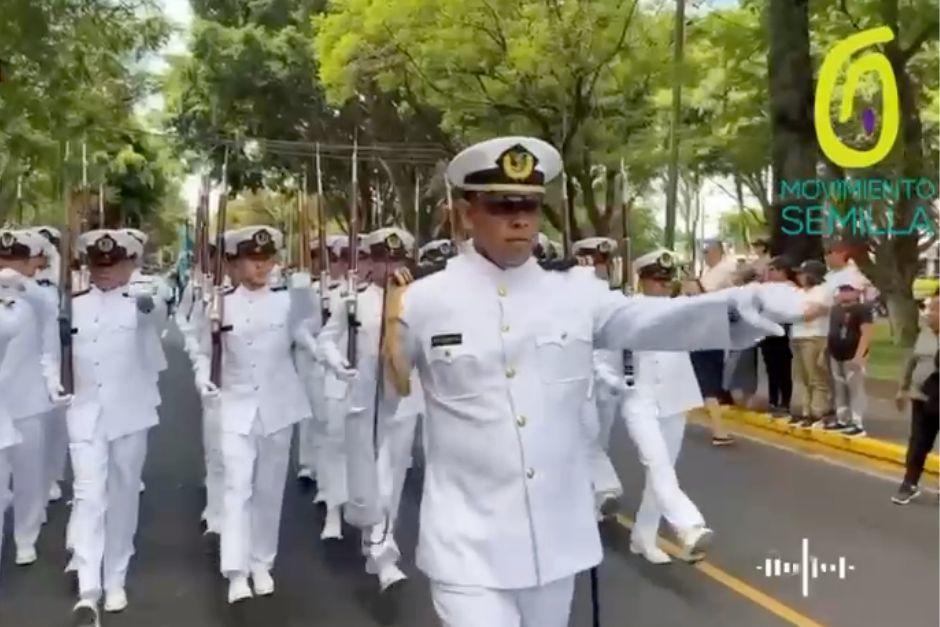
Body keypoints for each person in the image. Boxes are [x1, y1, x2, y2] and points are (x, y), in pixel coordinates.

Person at [380, 135, 808, 627]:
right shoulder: (423, 301)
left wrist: (746, 303)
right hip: (466, 544)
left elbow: (654, 320)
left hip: (556, 540)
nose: (519, 218)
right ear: (464, 213)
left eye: (530, 205)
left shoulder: (575, 294)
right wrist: (382, 328)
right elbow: (392, 393)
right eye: (501, 205)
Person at [192, 225, 315, 604]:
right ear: (234, 262)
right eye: (252, 259)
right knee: (237, 487)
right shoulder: (218, 302)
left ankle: (262, 561)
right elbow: (200, 351)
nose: (261, 266)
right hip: (235, 404)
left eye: (267, 258)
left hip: (278, 405)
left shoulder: (287, 300)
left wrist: (328, 357)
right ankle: (235, 570)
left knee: (268, 489)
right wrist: (202, 378)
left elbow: (308, 336)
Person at [66, 229, 167, 625]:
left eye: (114, 265)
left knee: (124, 495)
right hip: (85, 412)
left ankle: (116, 577)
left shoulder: (142, 302)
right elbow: (53, 351)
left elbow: (155, 314)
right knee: (89, 497)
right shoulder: (71, 305)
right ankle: (88, 589)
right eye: (97, 265)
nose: (104, 272)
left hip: (131, 413)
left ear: (131, 264)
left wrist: (146, 302)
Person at [623, 248, 711, 564]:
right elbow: (602, 356)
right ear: (642, 279)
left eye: (666, 280)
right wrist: (615, 382)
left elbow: (712, 316)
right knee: (657, 463)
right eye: (655, 280)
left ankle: (644, 537)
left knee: (663, 471)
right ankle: (689, 526)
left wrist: (695, 289)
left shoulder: (681, 311)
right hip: (640, 399)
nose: (661, 286)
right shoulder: (625, 311)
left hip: (676, 398)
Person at [0, 229, 66, 568]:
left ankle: (25, 537)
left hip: (28, 400)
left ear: (31, 264)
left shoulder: (39, 299)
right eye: (3, 260)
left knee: (29, 476)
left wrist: (21, 285)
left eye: (15, 261)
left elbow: (49, 333)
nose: (7, 267)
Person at [686, 239, 737, 446]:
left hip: (709, 329)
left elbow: (697, 291)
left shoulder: (723, 269)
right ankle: (718, 428)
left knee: (707, 378)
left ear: (718, 251)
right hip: (705, 328)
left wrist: (689, 282)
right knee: (704, 377)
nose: (705, 255)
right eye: (703, 251)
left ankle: (719, 431)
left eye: (708, 251)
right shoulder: (711, 271)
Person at [893, 294, 940, 504]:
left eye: (934, 310)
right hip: (920, 397)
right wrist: (902, 388)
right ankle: (909, 483)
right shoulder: (925, 333)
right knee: (918, 441)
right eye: (929, 309)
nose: (929, 314)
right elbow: (912, 360)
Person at [827, 284, 874, 436]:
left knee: (855, 389)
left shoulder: (862, 310)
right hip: (836, 354)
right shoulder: (835, 309)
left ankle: (857, 423)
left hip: (852, 355)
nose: (845, 293)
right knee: (840, 389)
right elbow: (832, 331)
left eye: (849, 290)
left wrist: (859, 356)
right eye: (842, 290)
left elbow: (866, 333)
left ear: (857, 292)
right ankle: (843, 420)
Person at [789, 260, 831, 427]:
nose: (799, 276)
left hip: (814, 336)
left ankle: (818, 412)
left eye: (802, 273)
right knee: (802, 377)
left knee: (815, 376)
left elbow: (813, 313)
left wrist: (794, 315)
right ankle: (805, 411)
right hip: (798, 336)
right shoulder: (799, 293)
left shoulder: (822, 291)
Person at [760, 256, 796, 417]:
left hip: (782, 330)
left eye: (773, 270)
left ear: (783, 271)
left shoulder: (790, 288)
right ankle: (773, 399)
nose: (770, 273)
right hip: (767, 330)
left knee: (783, 367)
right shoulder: (767, 287)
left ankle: (785, 401)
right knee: (771, 367)